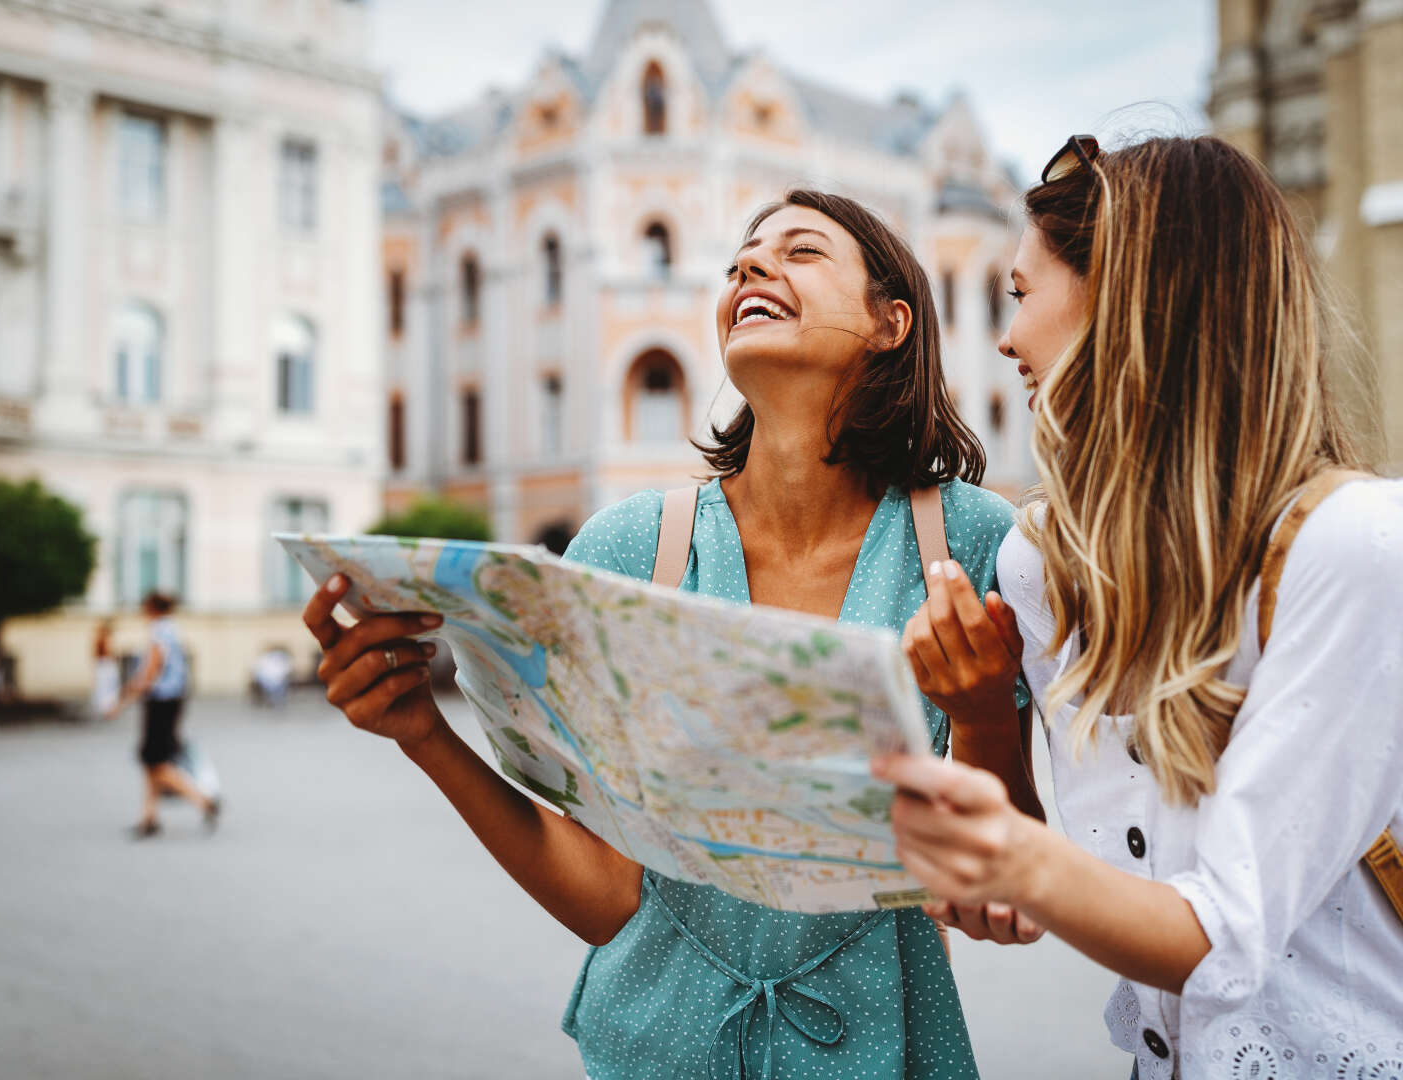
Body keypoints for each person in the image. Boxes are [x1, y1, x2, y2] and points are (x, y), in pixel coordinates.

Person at [303, 189, 1041, 1079]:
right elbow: (609, 898)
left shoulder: (973, 543)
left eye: (801, 252)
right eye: (740, 260)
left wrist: (987, 717)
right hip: (652, 1053)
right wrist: (425, 731)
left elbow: (1003, 885)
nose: (749, 269)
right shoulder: (627, 549)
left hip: (885, 1055)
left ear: (892, 322)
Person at [874, 135, 1403, 1077]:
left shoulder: (1352, 544)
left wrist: (1006, 855)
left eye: (1021, 295)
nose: (1004, 339)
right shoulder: (1042, 564)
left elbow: (1221, 937)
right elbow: (1042, 899)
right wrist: (983, 718)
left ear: (1125, 298)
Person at [113, 591, 219, 838]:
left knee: (157, 761)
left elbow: (151, 671)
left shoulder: (159, 631)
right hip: (171, 700)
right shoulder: (171, 628)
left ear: (151, 608)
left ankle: (204, 801)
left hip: (161, 702)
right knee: (151, 761)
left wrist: (123, 699)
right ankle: (149, 817)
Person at [91, 618, 121, 719]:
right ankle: (108, 709)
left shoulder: (98, 639)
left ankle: (106, 709)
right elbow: (109, 653)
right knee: (108, 688)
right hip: (106, 665)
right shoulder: (103, 639)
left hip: (102, 665)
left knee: (105, 688)